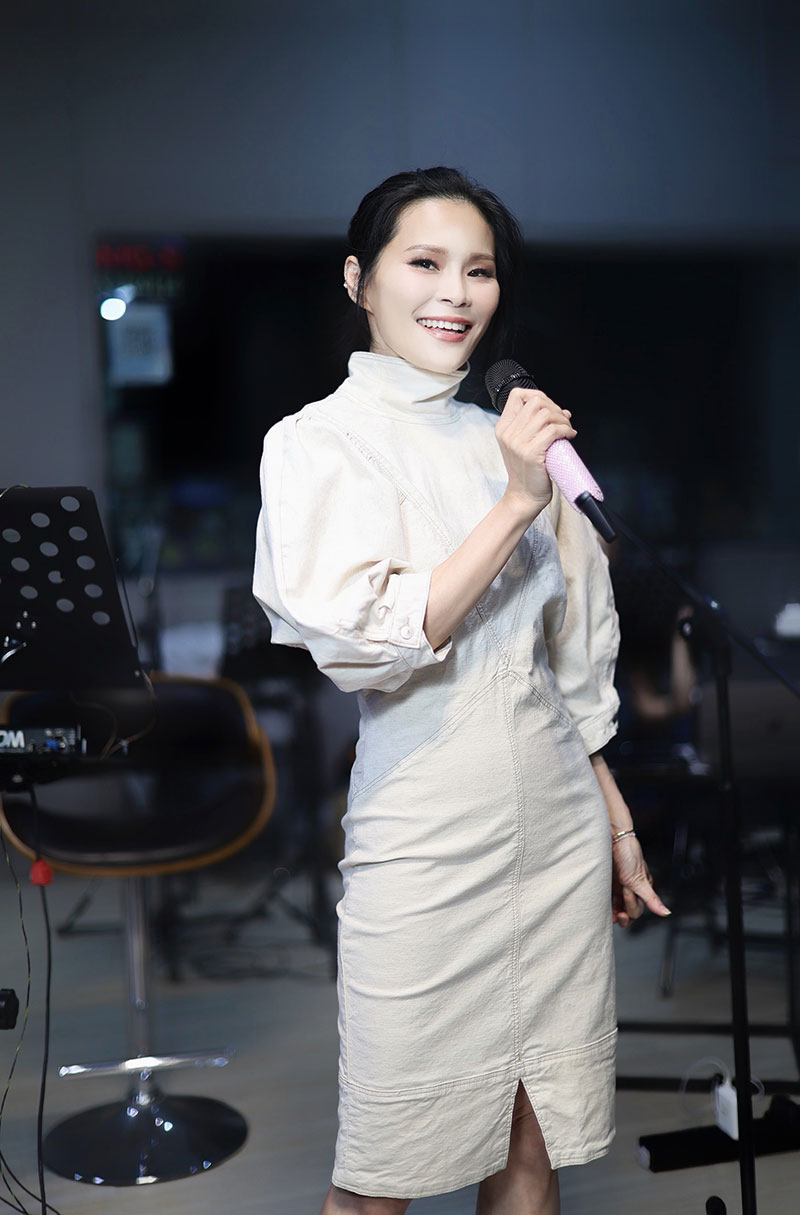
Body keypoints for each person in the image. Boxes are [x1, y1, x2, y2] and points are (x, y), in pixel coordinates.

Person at [253, 167, 670, 1215]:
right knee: (379, 1172)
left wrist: (616, 825)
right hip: (425, 839)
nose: (455, 292)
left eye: (477, 270)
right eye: (424, 263)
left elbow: (567, 669)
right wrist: (514, 501)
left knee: (531, 1143)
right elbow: (377, 641)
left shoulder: (518, 441)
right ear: (359, 279)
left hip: (556, 832)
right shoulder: (318, 443)